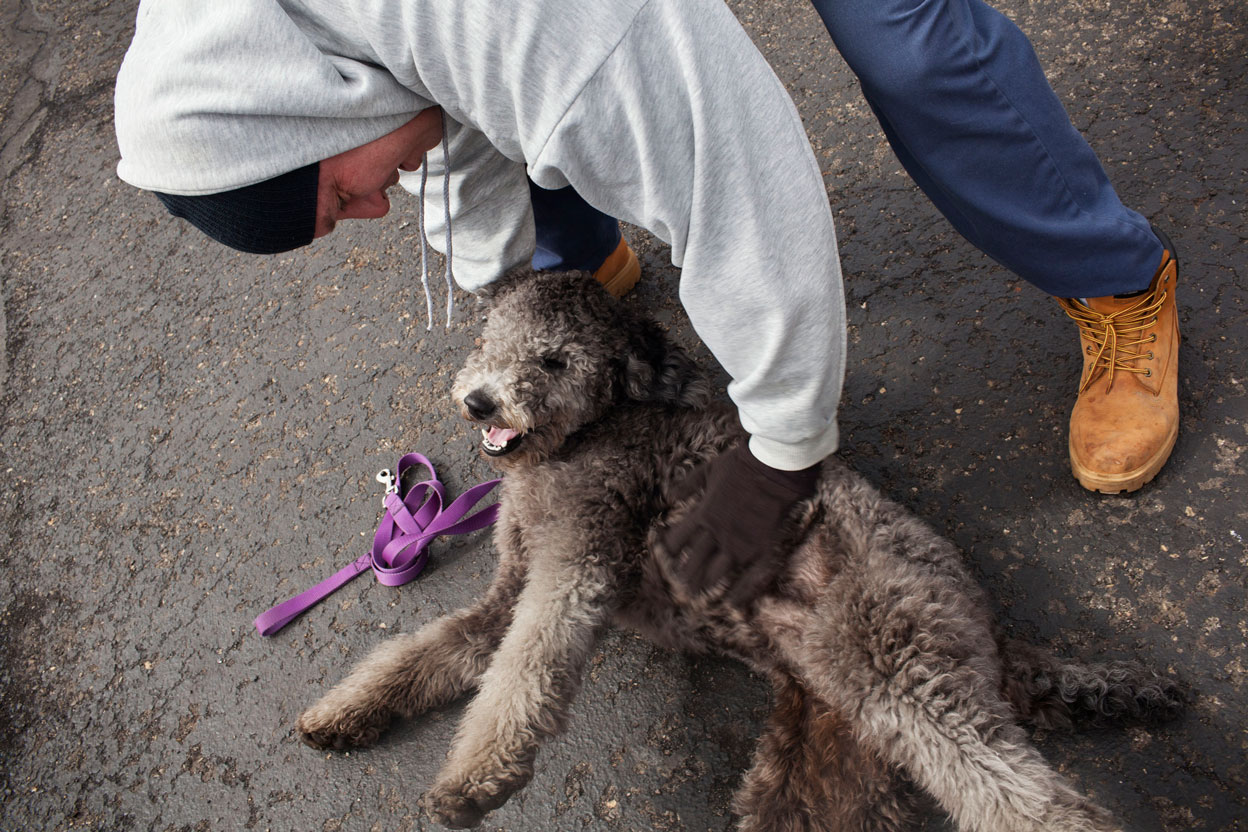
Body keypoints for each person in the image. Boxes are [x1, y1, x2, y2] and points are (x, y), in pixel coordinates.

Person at [114, 0, 844, 605]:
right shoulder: (330, 42)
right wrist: (511, 296)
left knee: (922, 65)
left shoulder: (536, 32)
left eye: (341, 193)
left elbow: (740, 190)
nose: (373, 211)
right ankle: (593, 257)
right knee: (534, 125)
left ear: (316, 117)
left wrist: (783, 449)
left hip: (574, 44)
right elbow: (440, 119)